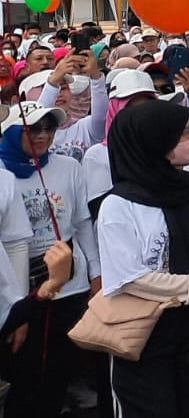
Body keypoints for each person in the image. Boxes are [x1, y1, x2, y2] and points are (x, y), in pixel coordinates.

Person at [97, 100, 189, 418]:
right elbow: (130, 278)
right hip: (144, 336)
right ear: (153, 143)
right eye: (183, 134)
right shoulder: (119, 206)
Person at [0, 101, 99, 417]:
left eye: (50, 128)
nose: (43, 135)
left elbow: (82, 223)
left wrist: (95, 274)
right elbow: (13, 245)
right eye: (33, 128)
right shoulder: (2, 176)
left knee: (60, 366)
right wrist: (18, 309)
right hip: (21, 283)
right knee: (24, 371)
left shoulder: (68, 167)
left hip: (70, 283)